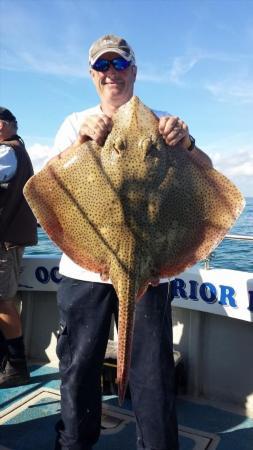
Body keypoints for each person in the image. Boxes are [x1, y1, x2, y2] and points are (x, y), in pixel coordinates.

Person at [53, 35, 212, 450]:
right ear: (92, 76)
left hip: (148, 264)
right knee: (79, 365)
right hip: (86, 265)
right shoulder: (75, 123)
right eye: (102, 67)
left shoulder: (162, 124)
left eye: (119, 65)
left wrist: (188, 143)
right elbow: (50, 186)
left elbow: (208, 178)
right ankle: (73, 444)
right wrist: (82, 143)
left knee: (152, 371)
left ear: (134, 71)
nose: (111, 74)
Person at [0, 107, 37, 387]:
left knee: (3, 302)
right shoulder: (16, 151)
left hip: (4, 243)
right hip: (9, 240)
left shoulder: (6, 152)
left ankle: (16, 366)